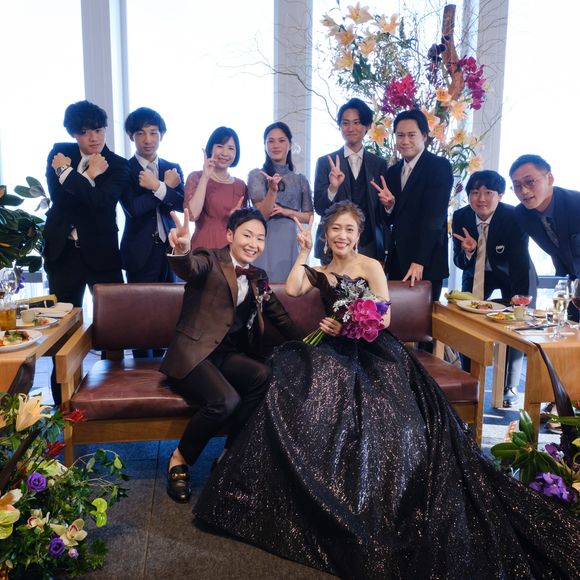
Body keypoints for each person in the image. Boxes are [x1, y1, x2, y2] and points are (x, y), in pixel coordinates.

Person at [195, 200, 579, 579]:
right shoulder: (322, 269)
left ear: (358, 234)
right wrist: (304, 252)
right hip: (332, 349)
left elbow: (386, 316)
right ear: (326, 234)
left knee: (390, 420)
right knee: (291, 384)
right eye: (335, 229)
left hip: (373, 350)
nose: (342, 235)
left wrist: (350, 322)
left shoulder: (370, 266)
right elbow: (294, 288)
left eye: (349, 229)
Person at [160, 207, 302, 503]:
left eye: (260, 238)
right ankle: (180, 457)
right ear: (229, 235)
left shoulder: (258, 276)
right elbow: (189, 267)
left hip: (225, 354)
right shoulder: (210, 259)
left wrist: (309, 345)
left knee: (263, 375)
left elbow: (279, 316)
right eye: (247, 235)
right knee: (226, 400)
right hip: (194, 354)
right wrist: (182, 249)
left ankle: (229, 453)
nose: (254, 243)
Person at [452, 170, 537, 407]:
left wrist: (520, 298)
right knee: (467, 318)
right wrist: (469, 251)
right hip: (477, 272)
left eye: (488, 192)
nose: (481, 198)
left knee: (515, 324)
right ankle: (468, 375)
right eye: (475, 192)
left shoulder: (513, 217)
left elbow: (519, 261)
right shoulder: (461, 216)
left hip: (513, 273)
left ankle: (509, 386)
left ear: (499, 195)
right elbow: (459, 262)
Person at [44, 100, 128, 308]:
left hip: (102, 252)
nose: (94, 138)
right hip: (63, 251)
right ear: (73, 134)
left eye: (98, 130)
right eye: (84, 132)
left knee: (115, 317)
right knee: (63, 320)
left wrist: (66, 173)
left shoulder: (118, 165)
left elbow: (101, 202)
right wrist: (89, 175)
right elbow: (59, 200)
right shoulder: (59, 154)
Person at [383, 108, 453, 302]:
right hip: (397, 260)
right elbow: (391, 219)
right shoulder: (393, 171)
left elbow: (435, 218)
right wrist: (389, 206)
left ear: (424, 135)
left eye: (411, 135)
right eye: (400, 135)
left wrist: (419, 261)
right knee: (396, 315)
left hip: (426, 262)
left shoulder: (439, 166)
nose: (405, 141)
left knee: (425, 318)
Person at [313, 98, 390, 264]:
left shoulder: (379, 164)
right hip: (334, 245)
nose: (351, 128)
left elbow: (382, 215)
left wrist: (389, 206)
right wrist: (332, 189)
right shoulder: (325, 162)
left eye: (357, 122)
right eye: (345, 123)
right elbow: (319, 208)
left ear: (367, 126)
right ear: (340, 126)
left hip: (369, 247)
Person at [510, 154, 580, 323]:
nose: (523, 191)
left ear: (550, 178)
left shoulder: (576, 204)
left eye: (530, 181)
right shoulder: (522, 214)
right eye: (517, 185)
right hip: (574, 288)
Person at [120, 107, 184, 284]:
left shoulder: (172, 168)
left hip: (171, 249)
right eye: (140, 133)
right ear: (131, 136)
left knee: (173, 299)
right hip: (138, 252)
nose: (147, 140)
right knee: (139, 302)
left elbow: (182, 204)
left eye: (153, 133)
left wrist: (158, 186)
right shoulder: (123, 169)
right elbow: (133, 208)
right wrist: (165, 187)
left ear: (161, 135)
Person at [247, 122, 313, 282]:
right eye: (271, 141)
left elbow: (309, 217)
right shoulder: (257, 175)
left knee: (290, 286)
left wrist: (287, 212)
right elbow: (262, 214)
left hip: (290, 239)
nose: (276, 145)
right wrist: (272, 190)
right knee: (262, 286)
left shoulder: (300, 180)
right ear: (265, 145)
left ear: (290, 144)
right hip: (263, 237)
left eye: (281, 140)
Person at [184, 127, 247, 251]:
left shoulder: (241, 185)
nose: (225, 153)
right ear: (211, 148)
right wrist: (205, 176)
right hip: (203, 249)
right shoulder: (196, 177)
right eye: (220, 146)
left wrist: (235, 218)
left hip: (231, 250)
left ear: (236, 153)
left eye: (231, 148)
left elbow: (244, 227)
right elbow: (192, 215)